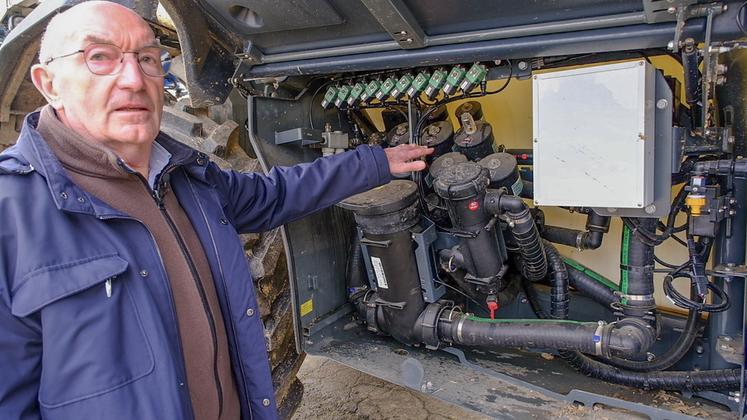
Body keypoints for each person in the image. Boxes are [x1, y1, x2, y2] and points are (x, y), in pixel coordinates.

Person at [0, 2, 433, 419]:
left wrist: (376, 162)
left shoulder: (188, 177)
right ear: (49, 82)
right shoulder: (11, 214)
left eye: (149, 58)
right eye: (100, 57)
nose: (133, 78)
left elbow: (273, 195)